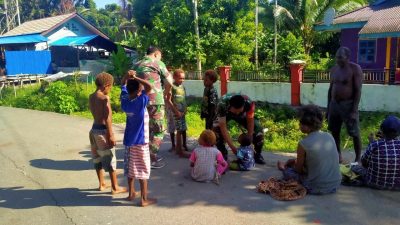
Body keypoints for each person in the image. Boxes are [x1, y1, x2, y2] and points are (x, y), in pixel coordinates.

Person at [277, 105, 342, 195]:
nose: (299, 125)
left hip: (316, 187)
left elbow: (298, 170)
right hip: (335, 184)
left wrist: (286, 167)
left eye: (300, 123)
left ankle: (282, 167)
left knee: (288, 172)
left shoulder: (303, 143)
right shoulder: (329, 136)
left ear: (307, 126)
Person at [133, 46, 173, 169]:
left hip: (140, 101)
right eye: (160, 55)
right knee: (159, 131)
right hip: (155, 100)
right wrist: (166, 93)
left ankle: (147, 156)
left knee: (147, 129)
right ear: (156, 54)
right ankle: (150, 157)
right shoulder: (157, 63)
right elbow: (170, 81)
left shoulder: (137, 64)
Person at [120, 71, 157, 206]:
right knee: (143, 169)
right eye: (140, 89)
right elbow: (149, 87)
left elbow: (122, 84)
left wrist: (127, 77)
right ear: (138, 91)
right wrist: (135, 77)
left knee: (131, 168)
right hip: (141, 142)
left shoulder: (125, 100)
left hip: (129, 141)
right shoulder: (140, 101)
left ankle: (131, 194)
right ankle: (144, 199)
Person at [88, 72, 126, 194]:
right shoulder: (104, 98)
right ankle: (115, 187)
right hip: (103, 131)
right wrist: (111, 135)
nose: (111, 89)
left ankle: (102, 183)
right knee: (110, 159)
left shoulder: (91, 96)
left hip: (93, 130)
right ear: (106, 85)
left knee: (97, 158)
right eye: (111, 86)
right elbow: (108, 118)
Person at [327, 47, 363, 163]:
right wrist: (328, 108)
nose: (338, 60)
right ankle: (338, 155)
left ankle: (358, 158)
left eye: (340, 57)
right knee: (334, 131)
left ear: (347, 58)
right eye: (337, 57)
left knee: (355, 133)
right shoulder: (334, 69)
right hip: (334, 105)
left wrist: (354, 110)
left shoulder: (355, 69)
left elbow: (358, 90)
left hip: (348, 105)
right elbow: (330, 89)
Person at [213, 93, 266, 164]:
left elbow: (250, 121)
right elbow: (223, 127)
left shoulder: (249, 104)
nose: (237, 113)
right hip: (226, 114)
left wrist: (249, 141)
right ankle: (222, 154)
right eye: (235, 111)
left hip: (243, 115)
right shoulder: (222, 105)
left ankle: (257, 153)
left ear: (244, 106)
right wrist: (233, 148)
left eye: (239, 111)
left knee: (258, 129)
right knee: (217, 129)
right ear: (230, 106)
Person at [354, 115, 400, 190]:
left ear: (382, 130)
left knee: (355, 167)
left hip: (375, 183)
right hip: (398, 186)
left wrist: (371, 143)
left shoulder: (375, 144)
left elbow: (364, 163)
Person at [165, 69, 190, 158]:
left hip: (182, 112)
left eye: (183, 78)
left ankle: (183, 146)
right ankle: (176, 148)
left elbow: (184, 98)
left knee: (183, 129)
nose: (182, 80)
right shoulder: (171, 86)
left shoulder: (182, 87)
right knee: (175, 129)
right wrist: (176, 111)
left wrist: (185, 109)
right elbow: (167, 100)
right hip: (174, 112)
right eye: (180, 78)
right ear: (174, 77)